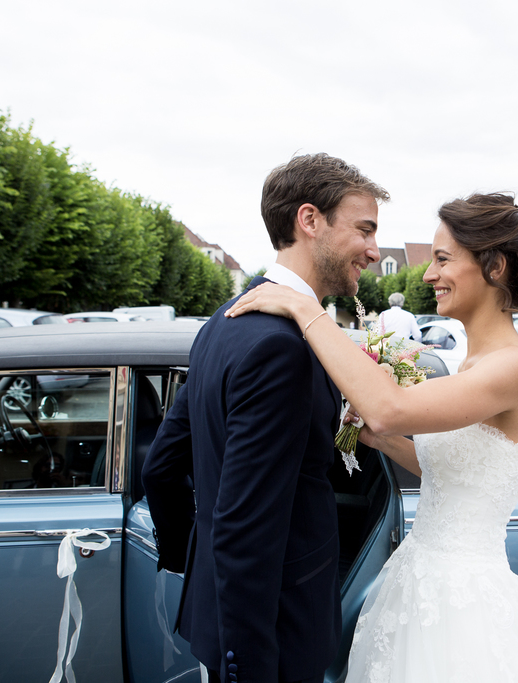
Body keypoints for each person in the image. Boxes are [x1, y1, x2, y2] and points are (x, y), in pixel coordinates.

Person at [224, 193, 518, 682]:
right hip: (419, 575)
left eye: (441, 260)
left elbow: (390, 408)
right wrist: (375, 439)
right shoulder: (475, 363)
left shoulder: (514, 367)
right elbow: (453, 471)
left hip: (463, 597)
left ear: (494, 266)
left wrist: (305, 309)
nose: (428, 275)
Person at [141, 153, 389, 683]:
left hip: (224, 619)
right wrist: (248, 666)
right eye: (364, 229)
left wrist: (195, 566)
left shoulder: (221, 322)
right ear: (309, 220)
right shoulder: (284, 347)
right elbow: (244, 525)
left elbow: (162, 466)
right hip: (269, 638)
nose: (373, 250)